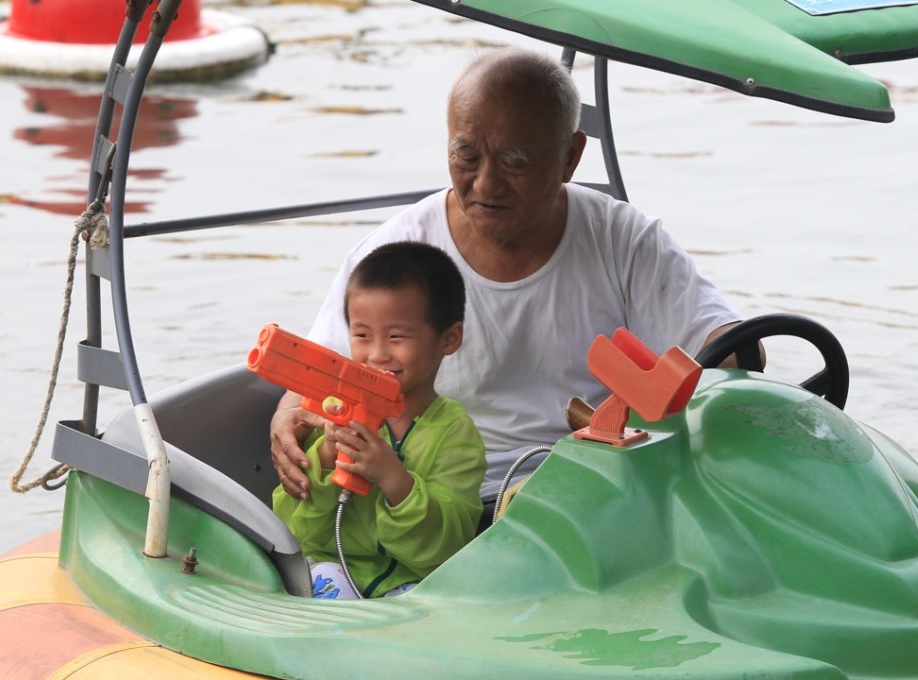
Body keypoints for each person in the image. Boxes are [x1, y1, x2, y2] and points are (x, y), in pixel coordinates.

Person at [272, 47, 743, 505]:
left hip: (595, 492)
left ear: (570, 156)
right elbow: (317, 377)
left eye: (514, 160)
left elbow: (730, 351)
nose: (485, 184)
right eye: (467, 156)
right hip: (437, 504)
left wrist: (728, 360)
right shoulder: (396, 253)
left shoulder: (623, 240)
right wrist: (289, 418)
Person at [272, 241, 486, 599]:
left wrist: (395, 481)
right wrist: (324, 459)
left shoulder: (456, 435)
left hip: (415, 581)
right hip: (334, 568)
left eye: (397, 336)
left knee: (425, 613)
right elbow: (298, 531)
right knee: (319, 590)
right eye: (362, 335)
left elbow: (447, 549)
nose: (377, 354)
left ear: (448, 339)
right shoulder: (333, 410)